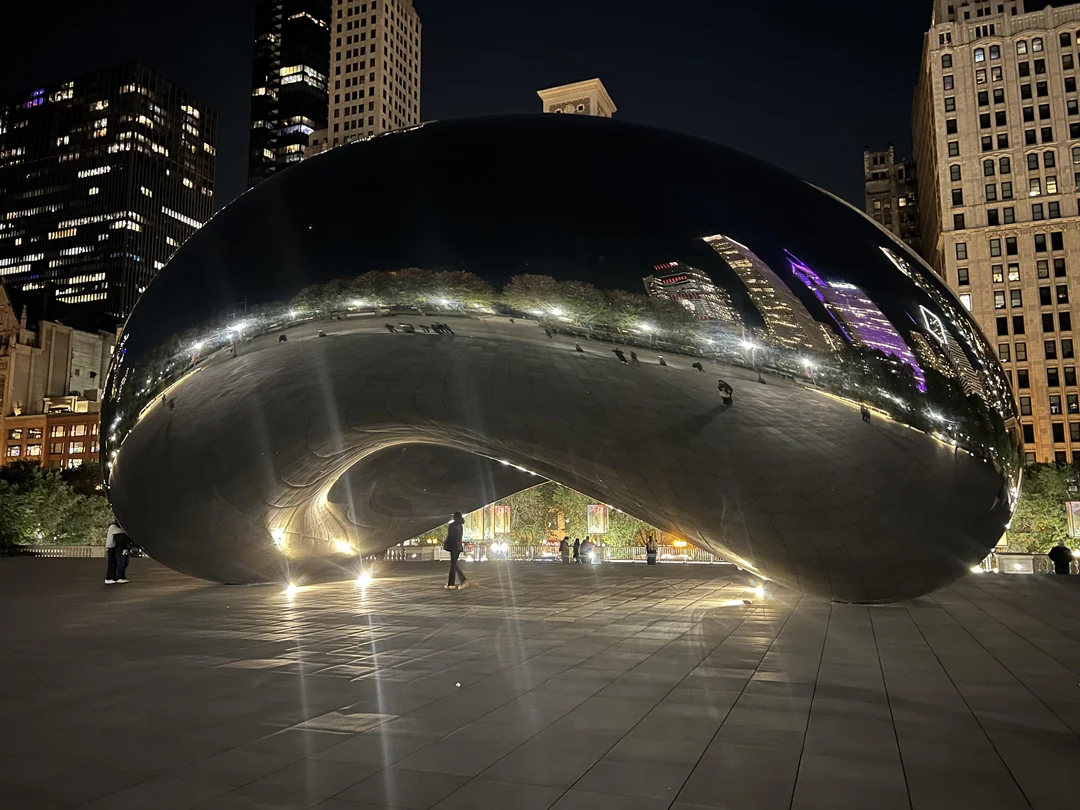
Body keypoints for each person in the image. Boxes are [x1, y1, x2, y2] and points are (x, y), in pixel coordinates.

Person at [444, 512, 469, 589]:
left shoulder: (452, 526)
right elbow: (459, 537)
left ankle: (461, 581)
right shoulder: (460, 526)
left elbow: (450, 536)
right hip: (458, 547)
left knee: (454, 565)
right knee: (454, 564)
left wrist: (446, 543)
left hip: (453, 546)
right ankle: (451, 583)